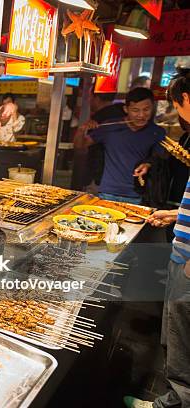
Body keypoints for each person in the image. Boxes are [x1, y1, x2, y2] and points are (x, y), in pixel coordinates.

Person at [124, 69, 190, 408]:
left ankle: (172, 403)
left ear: (186, 99)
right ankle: (172, 399)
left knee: (183, 344)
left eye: (177, 104)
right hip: (183, 252)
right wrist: (178, 214)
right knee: (177, 339)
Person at [75, 87, 166, 204]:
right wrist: (82, 130)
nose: (141, 115)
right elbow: (79, 146)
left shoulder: (157, 132)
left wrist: (148, 164)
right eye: (135, 110)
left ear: (152, 108)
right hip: (107, 192)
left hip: (137, 195)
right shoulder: (110, 126)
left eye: (146, 109)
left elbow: (161, 157)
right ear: (126, 109)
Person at [72, 89, 126, 191]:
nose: (89, 101)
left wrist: (81, 130)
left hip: (100, 176)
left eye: (90, 97)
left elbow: (80, 146)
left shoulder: (100, 118)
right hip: (120, 177)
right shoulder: (122, 114)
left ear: (96, 98)